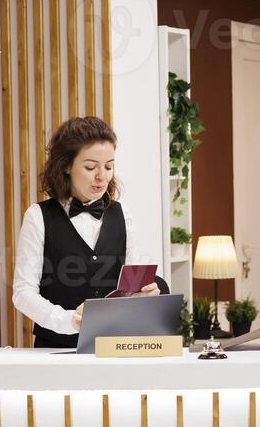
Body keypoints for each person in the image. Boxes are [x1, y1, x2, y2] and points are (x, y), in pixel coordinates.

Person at [13, 116, 159, 349]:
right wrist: (68, 320)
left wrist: (143, 296)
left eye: (109, 166)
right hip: (56, 350)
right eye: (91, 167)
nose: (102, 176)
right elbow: (23, 293)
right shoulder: (38, 216)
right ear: (66, 166)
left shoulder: (124, 214)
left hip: (116, 348)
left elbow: (129, 285)